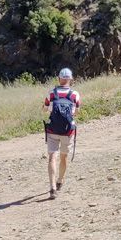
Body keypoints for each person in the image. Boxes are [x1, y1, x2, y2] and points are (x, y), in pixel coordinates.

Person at [42, 68, 80, 201]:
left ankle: (52, 187)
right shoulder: (74, 94)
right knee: (63, 158)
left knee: (52, 157)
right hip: (68, 131)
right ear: (70, 79)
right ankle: (60, 181)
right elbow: (76, 112)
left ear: (59, 79)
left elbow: (45, 109)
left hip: (52, 130)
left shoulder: (51, 93)